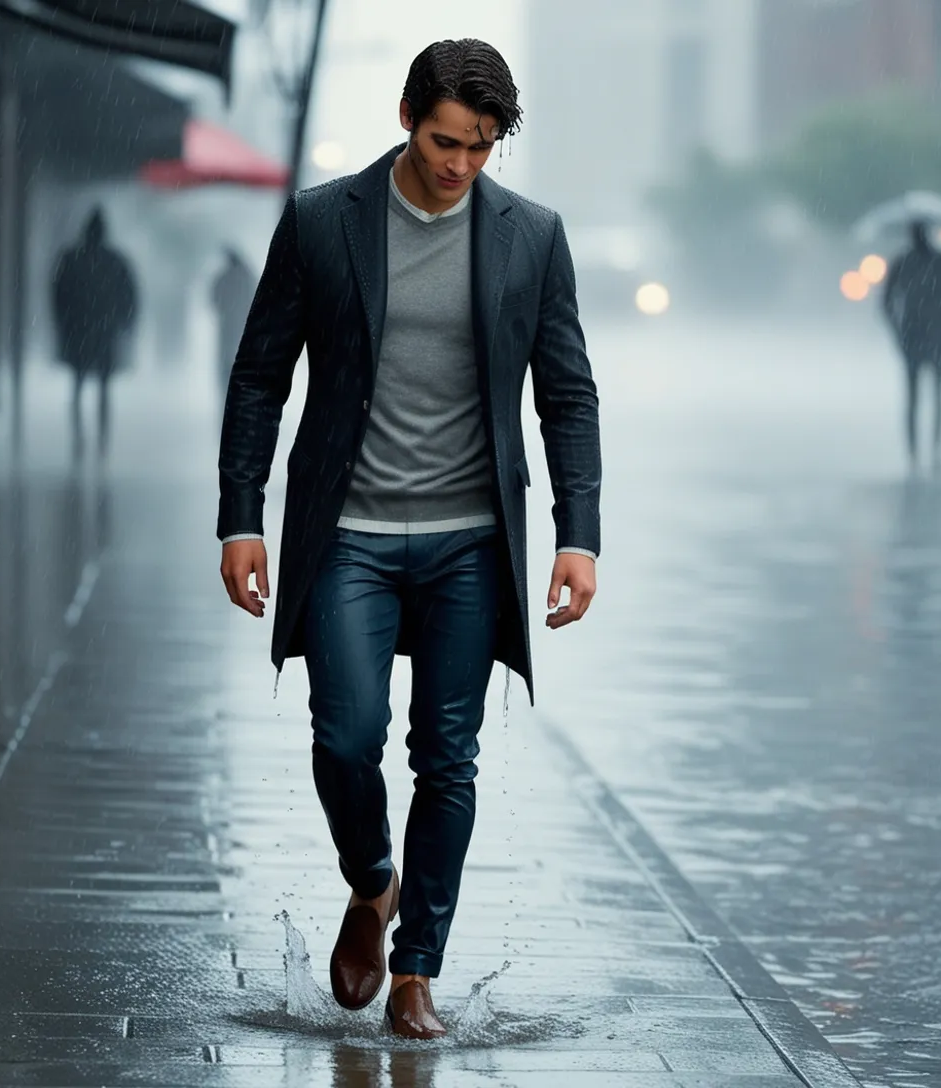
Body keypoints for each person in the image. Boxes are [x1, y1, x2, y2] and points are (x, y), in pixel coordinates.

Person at [216, 39, 601, 1039]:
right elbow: (261, 375)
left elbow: (566, 393)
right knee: (345, 736)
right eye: (443, 140)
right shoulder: (318, 222)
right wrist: (240, 516)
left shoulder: (532, 237)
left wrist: (579, 535)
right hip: (348, 532)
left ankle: (418, 968)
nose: (458, 165)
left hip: (472, 542)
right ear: (405, 114)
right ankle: (372, 879)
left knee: (448, 752)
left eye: (479, 147)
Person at [52, 207, 138, 457]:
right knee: (103, 388)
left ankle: (79, 439)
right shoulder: (115, 261)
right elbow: (129, 298)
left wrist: (63, 324)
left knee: (78, 386)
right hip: (104, 332)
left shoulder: (71, 258)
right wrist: (125, 324)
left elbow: (58, 295)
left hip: (78, 331)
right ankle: (102, 441)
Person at [882, 219, 941, 470]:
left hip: (923, 335)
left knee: (921, 397)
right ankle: (923, 453)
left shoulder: (908, 263)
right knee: (925, 396)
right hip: (924, 336)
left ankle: (924, 452)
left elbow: (887, 302)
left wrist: (898, 329)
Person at [211, 248, 258, 394]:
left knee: (226, 366)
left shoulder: (224, 277)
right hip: (246, 331)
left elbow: (213, 298)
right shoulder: (249, 277)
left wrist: (225, 310)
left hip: (228, 329)